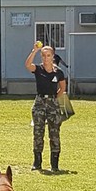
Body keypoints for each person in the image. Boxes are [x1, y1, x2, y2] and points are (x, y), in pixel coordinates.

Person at [25, 42, 67, 173]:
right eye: (43, 55)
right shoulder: (39, 69)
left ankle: (55, 164)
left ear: (52, 57)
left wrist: (54, 99)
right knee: (38, 132)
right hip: (39, 102)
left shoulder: (58, 72)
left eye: (48, 55)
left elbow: (63, 88)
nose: (45, 58)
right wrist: (34, 51)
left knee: (54, 133)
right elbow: (28, 65)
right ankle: (37, 162)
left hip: (52, 103)